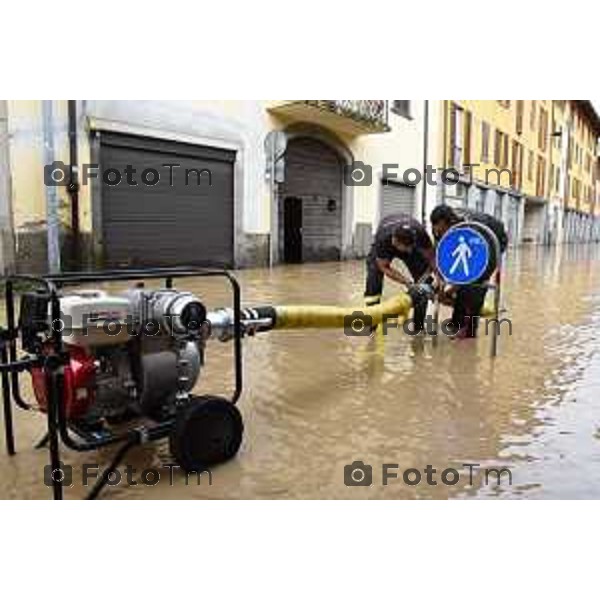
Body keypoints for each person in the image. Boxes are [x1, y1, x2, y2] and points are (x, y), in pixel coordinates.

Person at [430, 205, 508, 339]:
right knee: (461, 282)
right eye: (438, 231)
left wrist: (451, 289)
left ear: (451, 223)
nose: (440, 234)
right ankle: (456, 323)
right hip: (472, 240)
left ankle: (469, 331)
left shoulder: (472, 230)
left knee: (476, 285)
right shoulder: (439, 229)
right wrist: (440, 282)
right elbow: (440, 255)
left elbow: (473, 271)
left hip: (493, 239)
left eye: (443, 231)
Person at [365, 213, 435, 333]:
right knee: (373, 280)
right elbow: (384, 267)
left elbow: (432, 258)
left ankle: (418, 328)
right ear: (395, 242)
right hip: (386, 240)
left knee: (424, 284)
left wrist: (432, 278)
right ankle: (372, 325)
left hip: (408, 235)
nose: (409, 251)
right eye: (406, 248)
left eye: (411, 248)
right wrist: (406, 282)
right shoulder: (383, 241)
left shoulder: (420, 234)